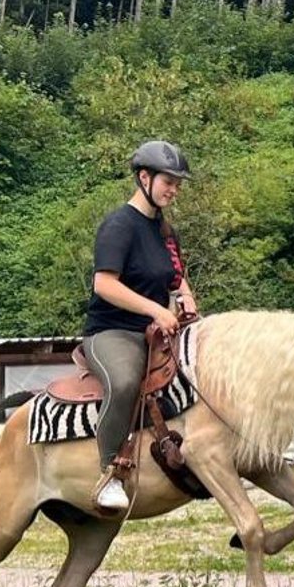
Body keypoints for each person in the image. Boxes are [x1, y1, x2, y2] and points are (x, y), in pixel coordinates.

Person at [82, 140, 199, 511]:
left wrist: (188, 302)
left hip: (158, 332)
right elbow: (104, 284)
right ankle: (109, 473)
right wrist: (155, 310)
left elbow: (175, 278)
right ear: (144, 177)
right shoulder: (119, 226)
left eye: (178, 184)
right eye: (169, 182)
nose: (174, 190)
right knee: (126, 382)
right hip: (113, 332)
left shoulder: (165, 232)